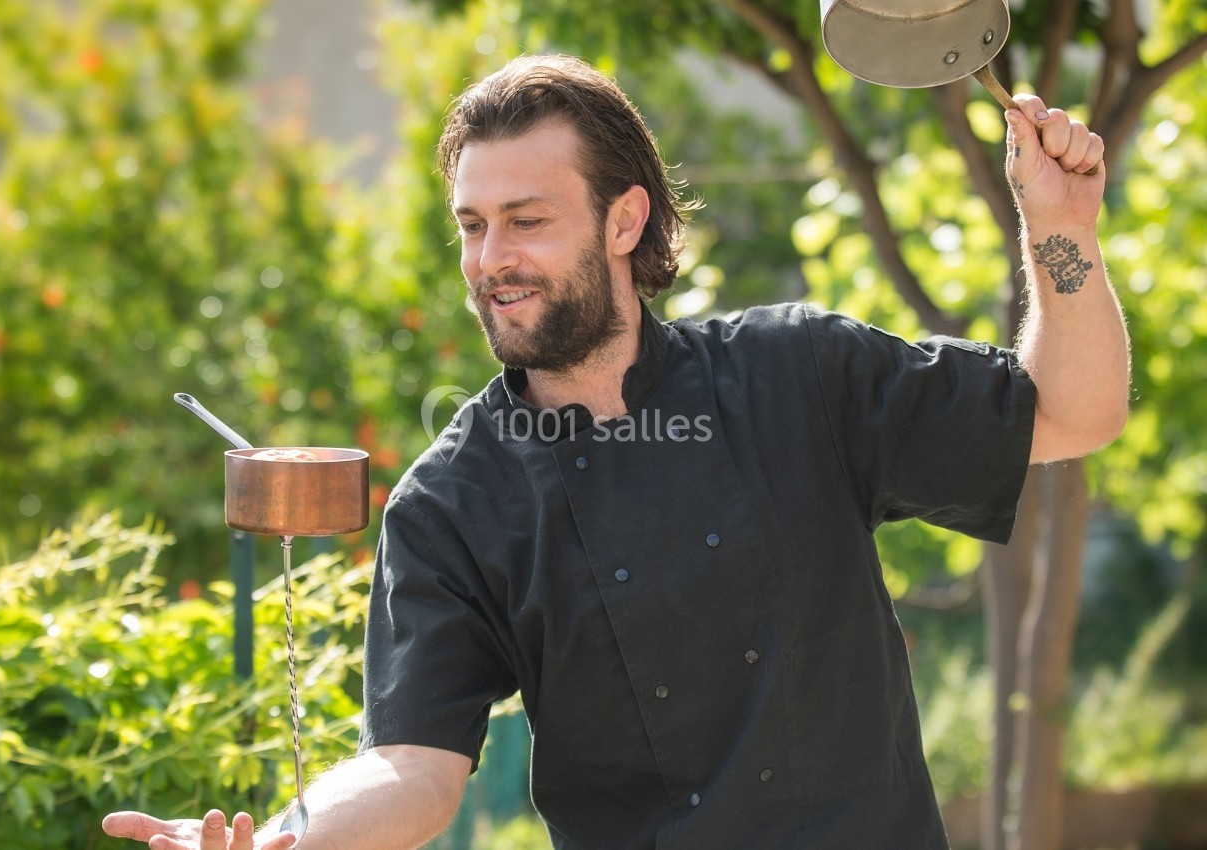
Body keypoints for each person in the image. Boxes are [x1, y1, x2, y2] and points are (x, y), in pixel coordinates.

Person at [103, 54, 1129, 849]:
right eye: (470, 226)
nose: (489, 260)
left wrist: (1060, 227)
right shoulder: (453, 500)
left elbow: (1071, 414)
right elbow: (411, 764)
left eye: (525, 220)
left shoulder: (796, 374)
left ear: (623, 219)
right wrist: (289, 836)